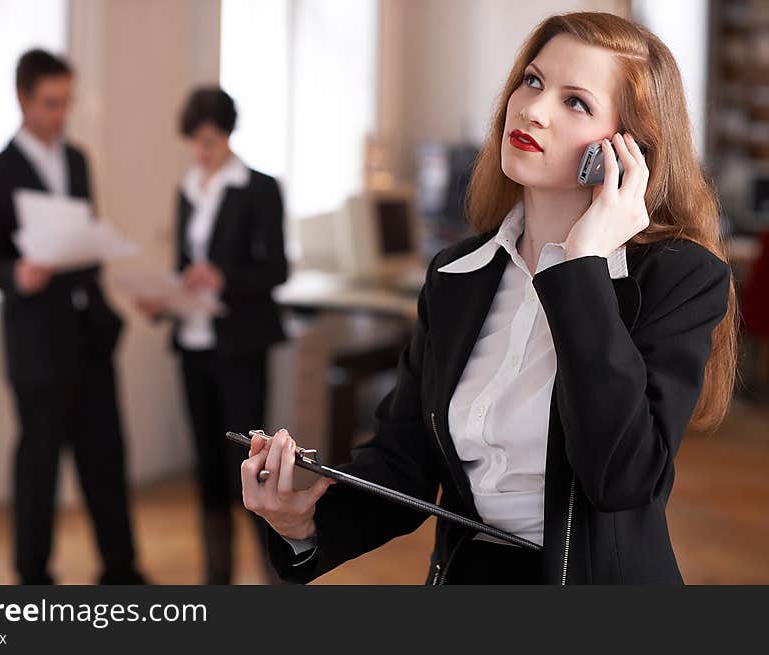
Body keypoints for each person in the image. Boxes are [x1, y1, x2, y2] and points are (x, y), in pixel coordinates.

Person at [240, 12, 738, 585]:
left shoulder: (679, 279)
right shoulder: (457, 275)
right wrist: (303, 525)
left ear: (628, 152)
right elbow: (404, 461)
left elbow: (621, 479)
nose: (532, 109)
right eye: (532, 80)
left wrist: (582, 268)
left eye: (575, 102)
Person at [0, 49, 145, 585]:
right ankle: (33, 577)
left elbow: (83, 241)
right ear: (22, 98)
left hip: (89, 337)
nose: (59, 114)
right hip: (36, 347)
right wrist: (17, 275)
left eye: (66, 102)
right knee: (38, 466)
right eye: (50, 103)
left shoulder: (77, 161)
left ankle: (120, 570)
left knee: (106, 457)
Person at [137, 87, 288, 584]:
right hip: (193, 344)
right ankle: (216, 580)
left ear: (227, 134)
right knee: (204, 464)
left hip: (240, 345)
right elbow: (186, 268)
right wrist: (165, 299)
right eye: (195, 142)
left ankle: (272, 574)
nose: (202, 152)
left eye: (210, 141)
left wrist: (223, 276)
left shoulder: (259, 188)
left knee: (246, 465)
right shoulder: (187, 188)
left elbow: (276, 269)